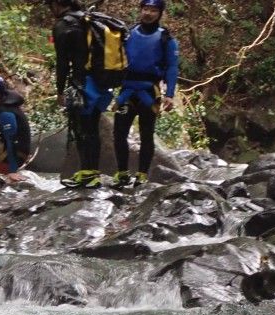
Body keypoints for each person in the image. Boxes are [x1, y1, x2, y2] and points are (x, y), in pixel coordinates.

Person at [45, 0, 113, 189]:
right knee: (92, 129)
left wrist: (59, 91)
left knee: (83, 130)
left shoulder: (63, 25)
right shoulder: (89, 20)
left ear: (58, 5)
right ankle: (91, 172)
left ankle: (88, 174)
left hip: (83, 85)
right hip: (101, 83)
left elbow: (62, 63)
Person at [112, 0, 179, 188]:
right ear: (140, 10)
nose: (148, 13)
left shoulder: (166, 38)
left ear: (159, 13)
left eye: (153, 10)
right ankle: (122, 173)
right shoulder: (127, 34)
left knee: (146, 135)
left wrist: (170, 94)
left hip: (149, 92)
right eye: (146, 9)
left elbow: (172, 68)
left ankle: (141, 174)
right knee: (118, 133)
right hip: (126, 91)